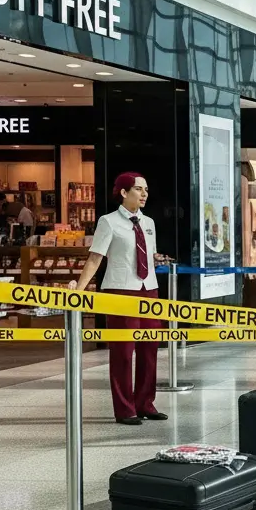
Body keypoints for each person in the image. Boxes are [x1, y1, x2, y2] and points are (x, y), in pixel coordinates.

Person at [70, 172, 167, 425]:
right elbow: (95, 258)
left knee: (150, 348)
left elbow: (148, 253)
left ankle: (145, 402)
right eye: (138, 189)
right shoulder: (108, 221)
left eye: (146, 189)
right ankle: (125, 409)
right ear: (124, 193)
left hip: (149, 288)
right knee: (123, 352)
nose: (144, 193)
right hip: (121, 290)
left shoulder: (149, 223)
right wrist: (79, 291)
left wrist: (157, 259)